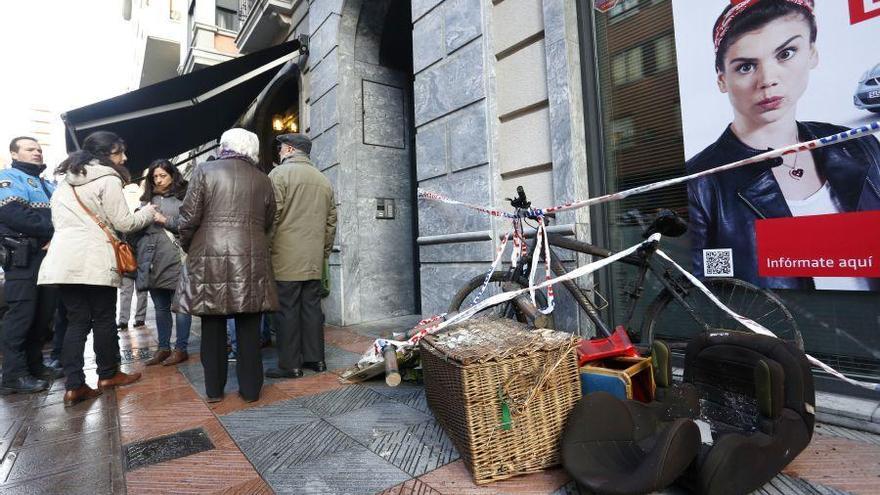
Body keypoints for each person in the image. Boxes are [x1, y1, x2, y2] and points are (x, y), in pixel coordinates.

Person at [687, 0, 880, 290]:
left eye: (786, 53)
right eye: (746, 66)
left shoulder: (858, 145)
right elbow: (705, 291)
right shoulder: (701, 182)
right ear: (722, 80)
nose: (768, 80)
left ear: (812, 54)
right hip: (769, 332)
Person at [38, 131, 157, 406]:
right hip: (94, 256)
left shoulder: (64, 184)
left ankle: (74, 386)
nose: (124, 157)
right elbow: (125, 222)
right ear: (105, 155)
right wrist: (149, 212)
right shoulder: (107, 178)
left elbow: (59, 223)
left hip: (64, 260)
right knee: (103, 318)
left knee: (76, 321)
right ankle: (108, 374)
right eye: (119, 152)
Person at [174, 128, 279, 403]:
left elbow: (188, 217)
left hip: (210, 254)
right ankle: (251, 389)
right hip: (252, 256)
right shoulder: (263, 179)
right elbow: (269, 220)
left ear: (223, 146)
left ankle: (214, 390)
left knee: (212, 325)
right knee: (249, 324)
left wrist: (190, 246)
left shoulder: (204, 171)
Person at [265, 133, 337, 378]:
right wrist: (323, 253)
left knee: (286, 310)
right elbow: (331, 223)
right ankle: (316, 360)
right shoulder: (323, 180)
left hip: (284, 257)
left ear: (288, 149)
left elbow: (272, 216)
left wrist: (267, 247)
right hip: (313, 259)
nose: (279, 153)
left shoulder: (278, 175)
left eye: (280, 149)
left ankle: (290, 365)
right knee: (311, 309)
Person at [0, 136, 60, 394]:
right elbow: (14, 214)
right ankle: (13, 375)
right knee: (21, 316)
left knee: (43, 315)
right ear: (15, 153)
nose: (37, 152)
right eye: (29, 149)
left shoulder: (46, 184)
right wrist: (53, 233)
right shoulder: (9, 177)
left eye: (38, 149)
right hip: (23, 258)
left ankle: (35, 366)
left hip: (47, 257)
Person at [131, 159, 192, 366]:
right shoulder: (146, 199)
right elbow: (136, 227)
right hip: (150, 258)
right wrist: (141, 216)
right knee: (160, 307)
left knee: (181, 305)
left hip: (176, 257)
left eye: (162, 175)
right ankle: (163, 348)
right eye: (155, 176)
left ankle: (181, 348)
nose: (158, 179)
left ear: (172, 175)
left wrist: (164, 220)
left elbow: (190, 223)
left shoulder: (184, 196)